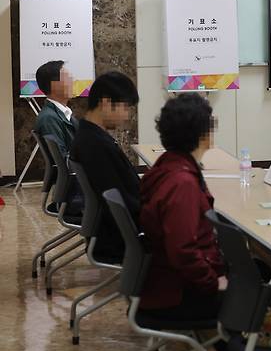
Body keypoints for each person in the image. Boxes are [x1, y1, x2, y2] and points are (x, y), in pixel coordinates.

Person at [138, 93, 224, 319]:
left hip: (169, 281)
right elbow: (183, 251)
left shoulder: (168, 164)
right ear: (203, 135)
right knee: (261, 295)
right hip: (179, 292)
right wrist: (213, 283)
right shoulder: (182, 183)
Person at [69, 71, 140, 264]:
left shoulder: (90, 137)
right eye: (126, 108)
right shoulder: (95, 146)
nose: (127, 116)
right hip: (122, 239)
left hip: (115, 233)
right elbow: (120, 202)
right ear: (106, 103)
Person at [34, 60, 83, 215]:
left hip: (78, 186)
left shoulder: (61, 114)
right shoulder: (49, 118)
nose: (73, 80)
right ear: (55, 85)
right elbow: (65, 160)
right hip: (76, 192)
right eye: (68, 77)